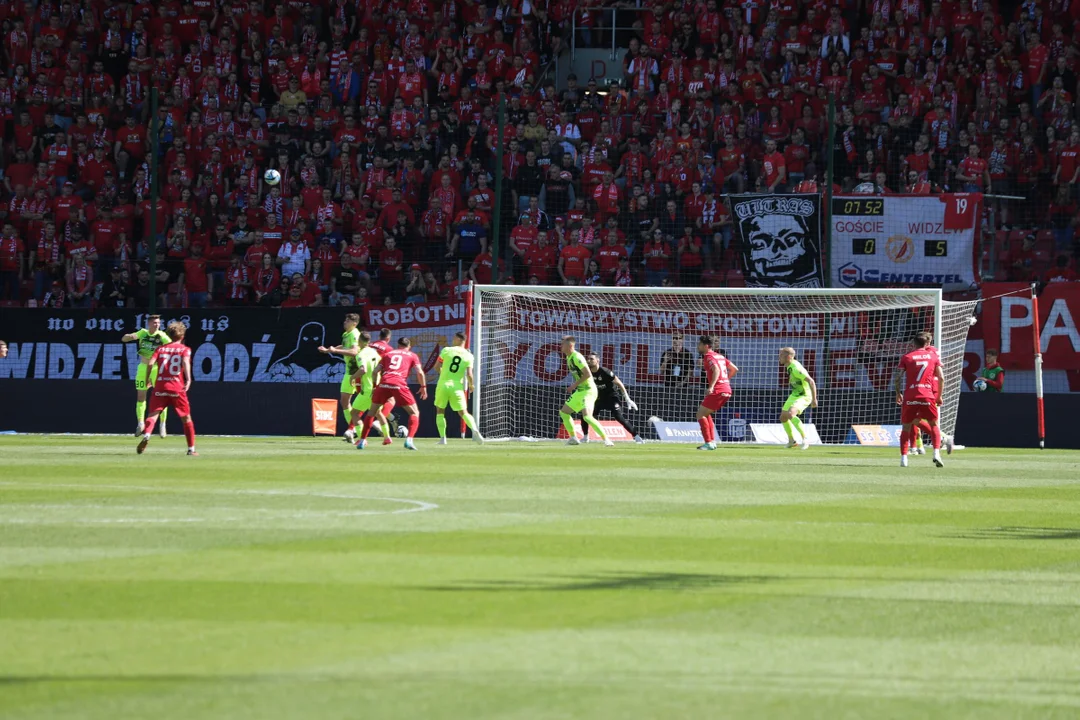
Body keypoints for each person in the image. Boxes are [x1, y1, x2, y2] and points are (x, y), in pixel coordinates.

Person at [137, 321, 197, 456]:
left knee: (153, 415)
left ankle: (147, 435)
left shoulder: (160, 349)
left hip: (160, 386)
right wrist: (188, 379)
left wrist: (148, 379)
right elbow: (186, 363)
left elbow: (151, 363)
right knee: (186, 418)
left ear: (168, 335)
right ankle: (191, 449)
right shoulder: (184, 349)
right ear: (182, 336)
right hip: (176, 387)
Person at [357, 337, 427, 450]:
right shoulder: (412, 355)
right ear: (409, 346)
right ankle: (409, 441)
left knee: (372, 412)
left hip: (384, 383)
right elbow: (420, 372)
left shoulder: (388, 354)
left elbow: (375, 372)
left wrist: (375, 386)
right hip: (399, 384)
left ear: (398, 345)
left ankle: (362, 441)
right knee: (414, 413)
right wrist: (423, 387)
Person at [895, 331, 946, 468]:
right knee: (934, 424)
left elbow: (898, 377)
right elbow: (941, 377)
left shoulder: (907, 357)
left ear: (913, 343)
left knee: (906, 426)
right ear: (927, 343)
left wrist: (898, 393)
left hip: (911, 395)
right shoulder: (933, 356)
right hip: (927, 395)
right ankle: (936, 453)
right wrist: (939, 395)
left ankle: (904, 459)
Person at [121, 315, 171, 437]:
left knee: (161, 396)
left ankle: (162, 425)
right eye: (154, 323)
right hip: (143, 367)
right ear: (149, 324)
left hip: (156, 369)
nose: (157, 325)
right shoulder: (143, 333)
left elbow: (172, 347)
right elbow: (124, 339)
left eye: (158, 323)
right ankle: (140, 423)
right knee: (141, 396)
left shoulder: (162, 336)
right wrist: (130, 337)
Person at [559, 335, 614, 447]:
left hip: (588, 390)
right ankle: (573, 438)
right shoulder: (568, 357)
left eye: (562, 343)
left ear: (569, 345)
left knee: (587, 417)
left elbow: (588, 374)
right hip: (580, 391)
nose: (560, 345)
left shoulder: (577, 357)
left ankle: (607, 440)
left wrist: (573, 385)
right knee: (564, 412)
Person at [432, 331, 484, 445]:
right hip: (457, 387)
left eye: (454, 338)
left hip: (443, 384)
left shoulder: (447, 350)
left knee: (440, 411)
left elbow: (436, 366)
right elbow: (469, 374)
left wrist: (444, 374)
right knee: (463, 412)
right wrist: (471, 385)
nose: (452, 340)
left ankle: (443, 438)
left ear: (458, 339)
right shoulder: (469, 355)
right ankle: (475, 430)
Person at [317, 313, 362, 440]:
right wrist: (328, 350)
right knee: (344, 401)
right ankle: (352, 429)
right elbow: (345, 346)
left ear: (354, 323)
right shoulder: (346, 334)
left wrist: (336, 351)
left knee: (367, 404)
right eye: (345, 320)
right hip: (349, 372)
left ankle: (356, 429)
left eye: (348, 321)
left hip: (358, 371)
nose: (345, 322)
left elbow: (354, 352)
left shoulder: (355, 334)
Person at [585, 352, 643, 443]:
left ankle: (636, 436)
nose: (589, 361)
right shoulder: (587, 372)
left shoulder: (605, 372)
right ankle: (585, 437)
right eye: (588, 359)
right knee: (586, 415)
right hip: (598, 398)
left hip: (612, 397)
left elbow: (619, 383)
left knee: (619, 417)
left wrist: (627, 399)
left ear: (597, 360)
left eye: (591, 359)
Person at [695, 335, 738, 451]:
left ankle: (709, 443)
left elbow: (716, 370)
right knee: (706, 414)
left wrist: (712, 386)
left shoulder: (708, 356)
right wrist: (726, 381)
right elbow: (734, 369)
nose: (698, 346)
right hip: (727, 389)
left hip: (718, 389)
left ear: (706, 346)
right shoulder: (720, 356)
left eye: (699, 344)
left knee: (700, 415)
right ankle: (712, 442)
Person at [343, 331, 381, 445]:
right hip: (377, 387)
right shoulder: (374, 352)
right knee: (377, 413)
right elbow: (381, 366)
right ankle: (387, 437)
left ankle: (361, 438)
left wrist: (353, 377)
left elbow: (363, 369)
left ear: (359, 341)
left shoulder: (361, 354)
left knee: (354, 413)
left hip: (367, 389)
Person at [778, 347, 817, 450]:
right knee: (783, 417)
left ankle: (805, 438)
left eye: (781, 355)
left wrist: (814, 399)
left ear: (789, 357)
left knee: (791, 413)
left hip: (804, 395)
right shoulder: (789, 366)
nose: (779, 357)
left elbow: (811, 381)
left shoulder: (796, 368)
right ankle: (791, 441)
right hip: (795, 394)